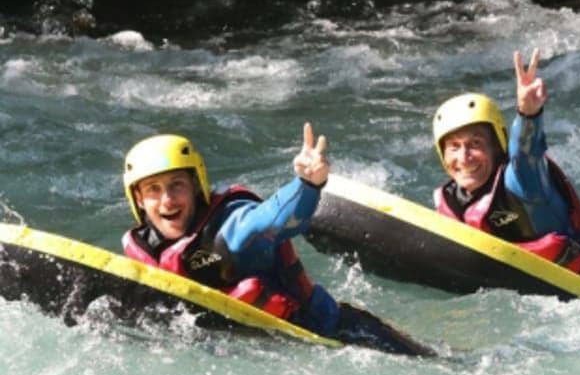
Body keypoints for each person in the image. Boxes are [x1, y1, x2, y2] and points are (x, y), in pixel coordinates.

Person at [121, 124, 435, 356]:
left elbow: (275, 218)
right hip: (268, 349)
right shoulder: (143, 251)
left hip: (342, 334)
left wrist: (307, 186)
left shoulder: (232, 227)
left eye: (177, 185)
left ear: (196, 185)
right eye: (153, 190)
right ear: (138, 199)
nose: (167, 200)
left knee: (443, 364)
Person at [431, 49, 580, 300]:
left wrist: (528, 115)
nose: (464, 157)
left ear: (497, 146)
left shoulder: (521, 181)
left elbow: (527, 154)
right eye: (454, 147)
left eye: (476, 144)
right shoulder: (451, 203)